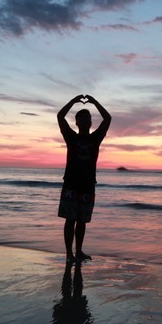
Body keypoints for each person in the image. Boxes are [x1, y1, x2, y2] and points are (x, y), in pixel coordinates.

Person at [57, 94, 111, 265]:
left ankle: (78, 251)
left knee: (82, 221)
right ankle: (68, 254)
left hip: (88, 185)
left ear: (90, 122)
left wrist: (94, 102)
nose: (85, 119)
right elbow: (60, 116)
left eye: (87, 117)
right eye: (81, 117)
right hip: (71, 183)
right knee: (70, 219)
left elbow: (107, 118)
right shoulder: (71, 137)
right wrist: (73, 101)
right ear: (77, 122)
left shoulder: (95, 138)